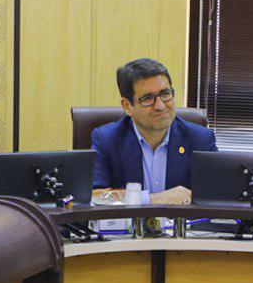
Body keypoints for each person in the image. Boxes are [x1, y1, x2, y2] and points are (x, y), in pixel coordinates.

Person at [90, 58, 217, 205]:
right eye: (148, 98)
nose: (160, 106)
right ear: (127, 106)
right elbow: (95, 196)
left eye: (165, 94)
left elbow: (216, 195)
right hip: (129, 221)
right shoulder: (107, 140)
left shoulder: (200, 140)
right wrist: (151, 200)